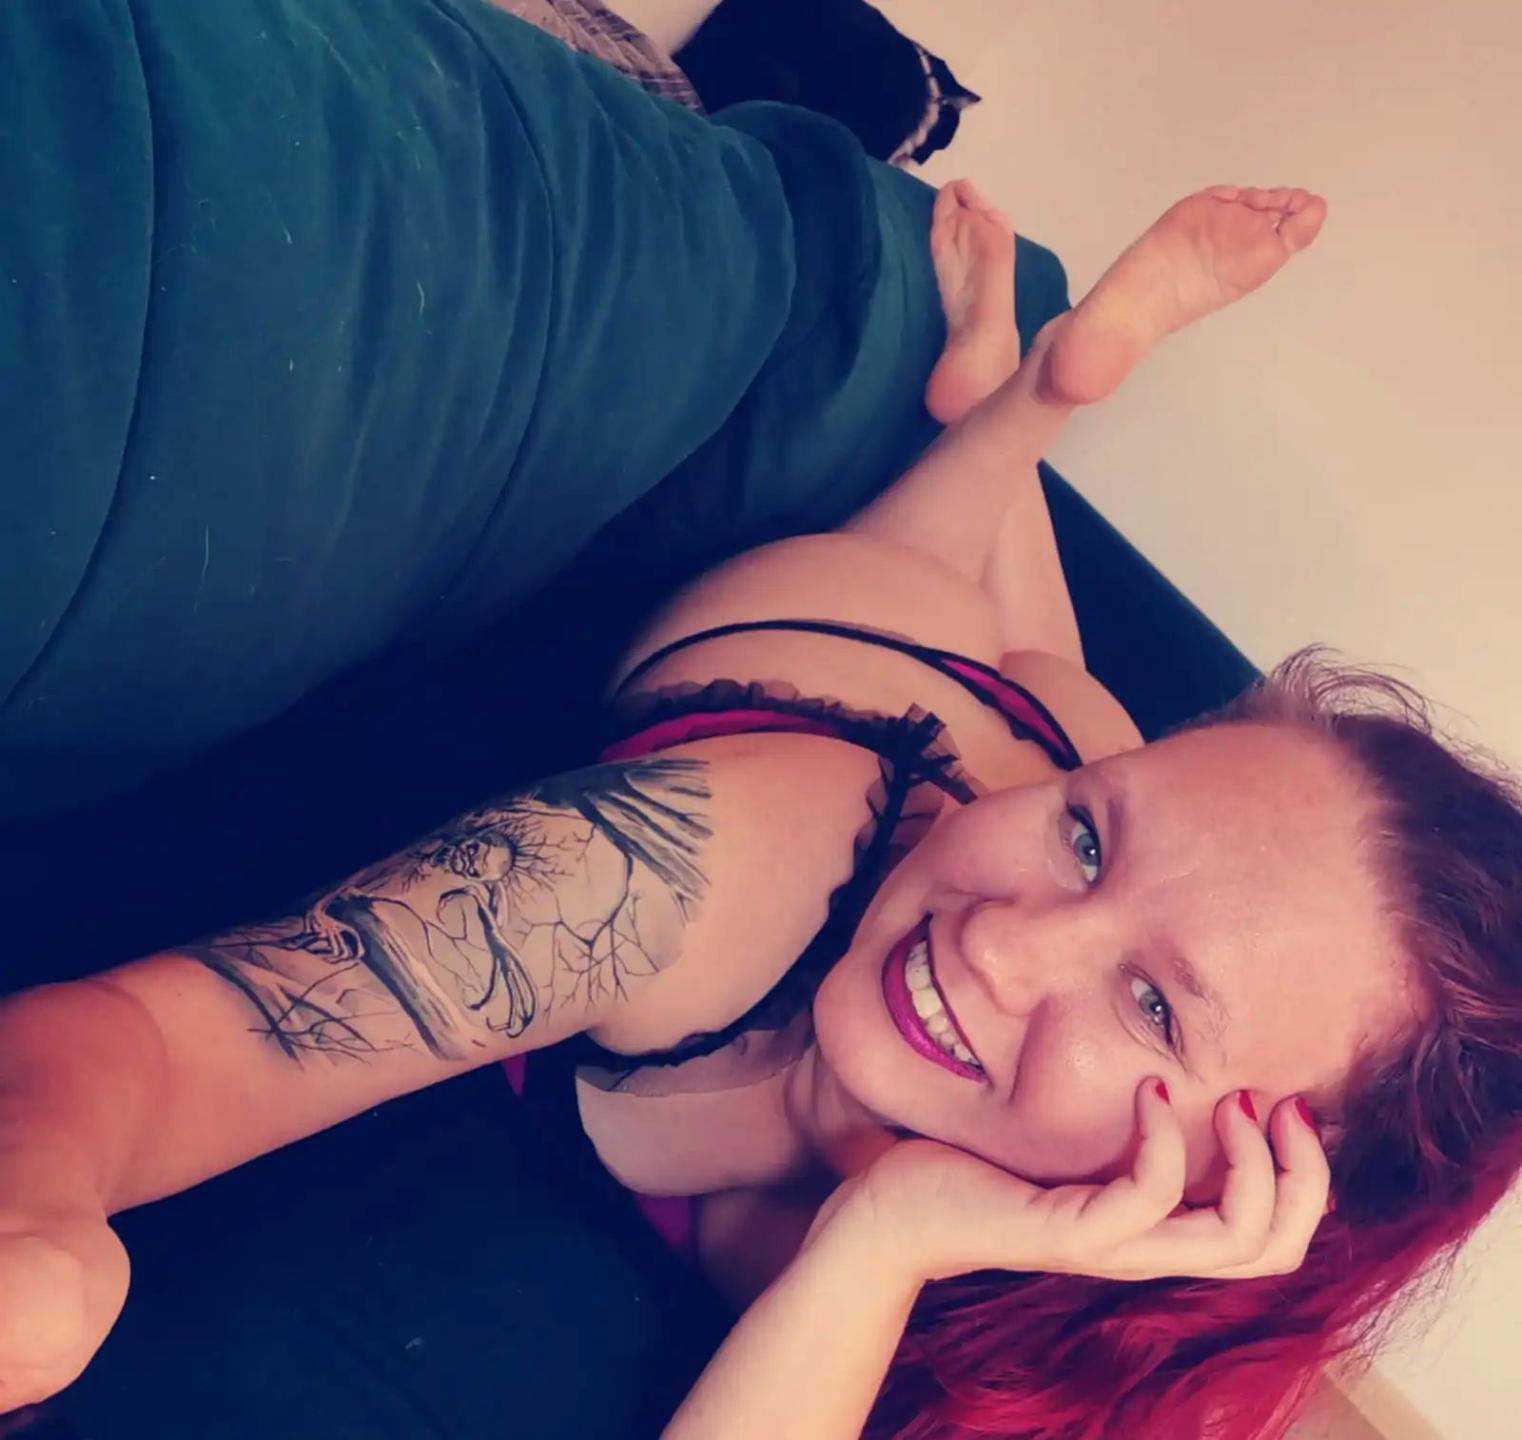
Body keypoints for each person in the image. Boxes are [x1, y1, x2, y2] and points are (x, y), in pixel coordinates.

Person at [3, 177, 1520, 1440]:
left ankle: (1021, 400)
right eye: (1087, 833)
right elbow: (155, 1043)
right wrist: (42, 1216)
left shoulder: (1139, 1335)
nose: (1002, 946)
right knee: (969, 619)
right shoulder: (684, 874)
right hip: (843, 656)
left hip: (1034, 736)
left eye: (1154, 1005)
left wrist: (882, 1241)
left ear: (1264, 1187)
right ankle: (1022, 408)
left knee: (1057, 692)